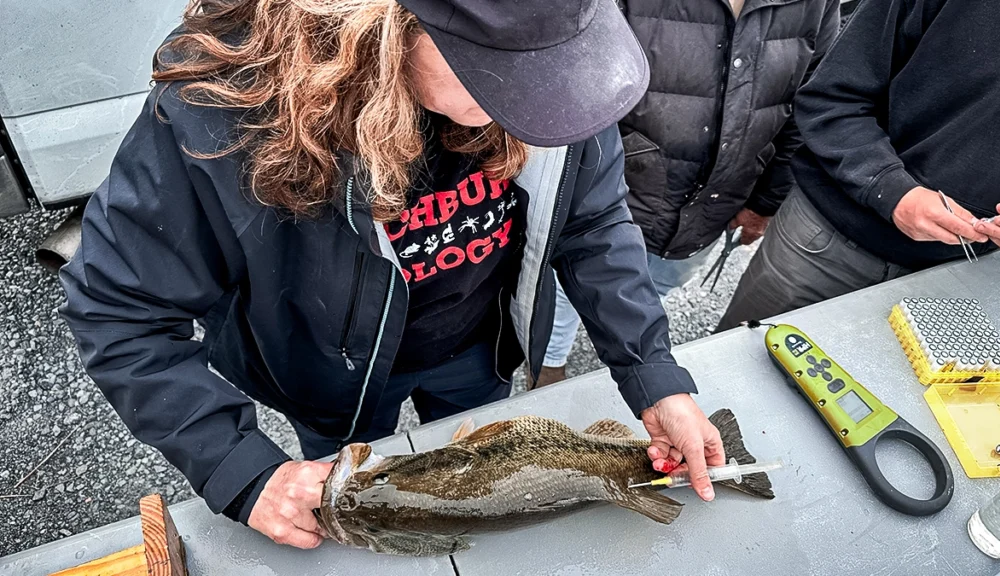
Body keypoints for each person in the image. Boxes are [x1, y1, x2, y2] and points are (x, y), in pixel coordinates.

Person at [59, 0, 726, 551]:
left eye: (553, 61)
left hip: (477, 346)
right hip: (327, 376)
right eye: (508, 69)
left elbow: (592, 221)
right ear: (384, 20)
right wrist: (242, 469)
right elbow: (120, 312)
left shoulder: (554, 69)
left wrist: (651, 372)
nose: (544, 101)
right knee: (356, 502)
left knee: (478, 490)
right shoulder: (224, 109)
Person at [535, 0, 841, 387]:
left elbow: (809, 102)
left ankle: (628, 357)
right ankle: (550, 361)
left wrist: (765, 201)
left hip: (713, 202)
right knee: (574, 279)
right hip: (622, 186)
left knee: (658, 283)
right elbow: (581, 80)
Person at [716, 0, 1000, 331]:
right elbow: (829, 97)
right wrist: (891, 190)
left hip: (963, 275)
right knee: (741, 357)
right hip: (829, 245)